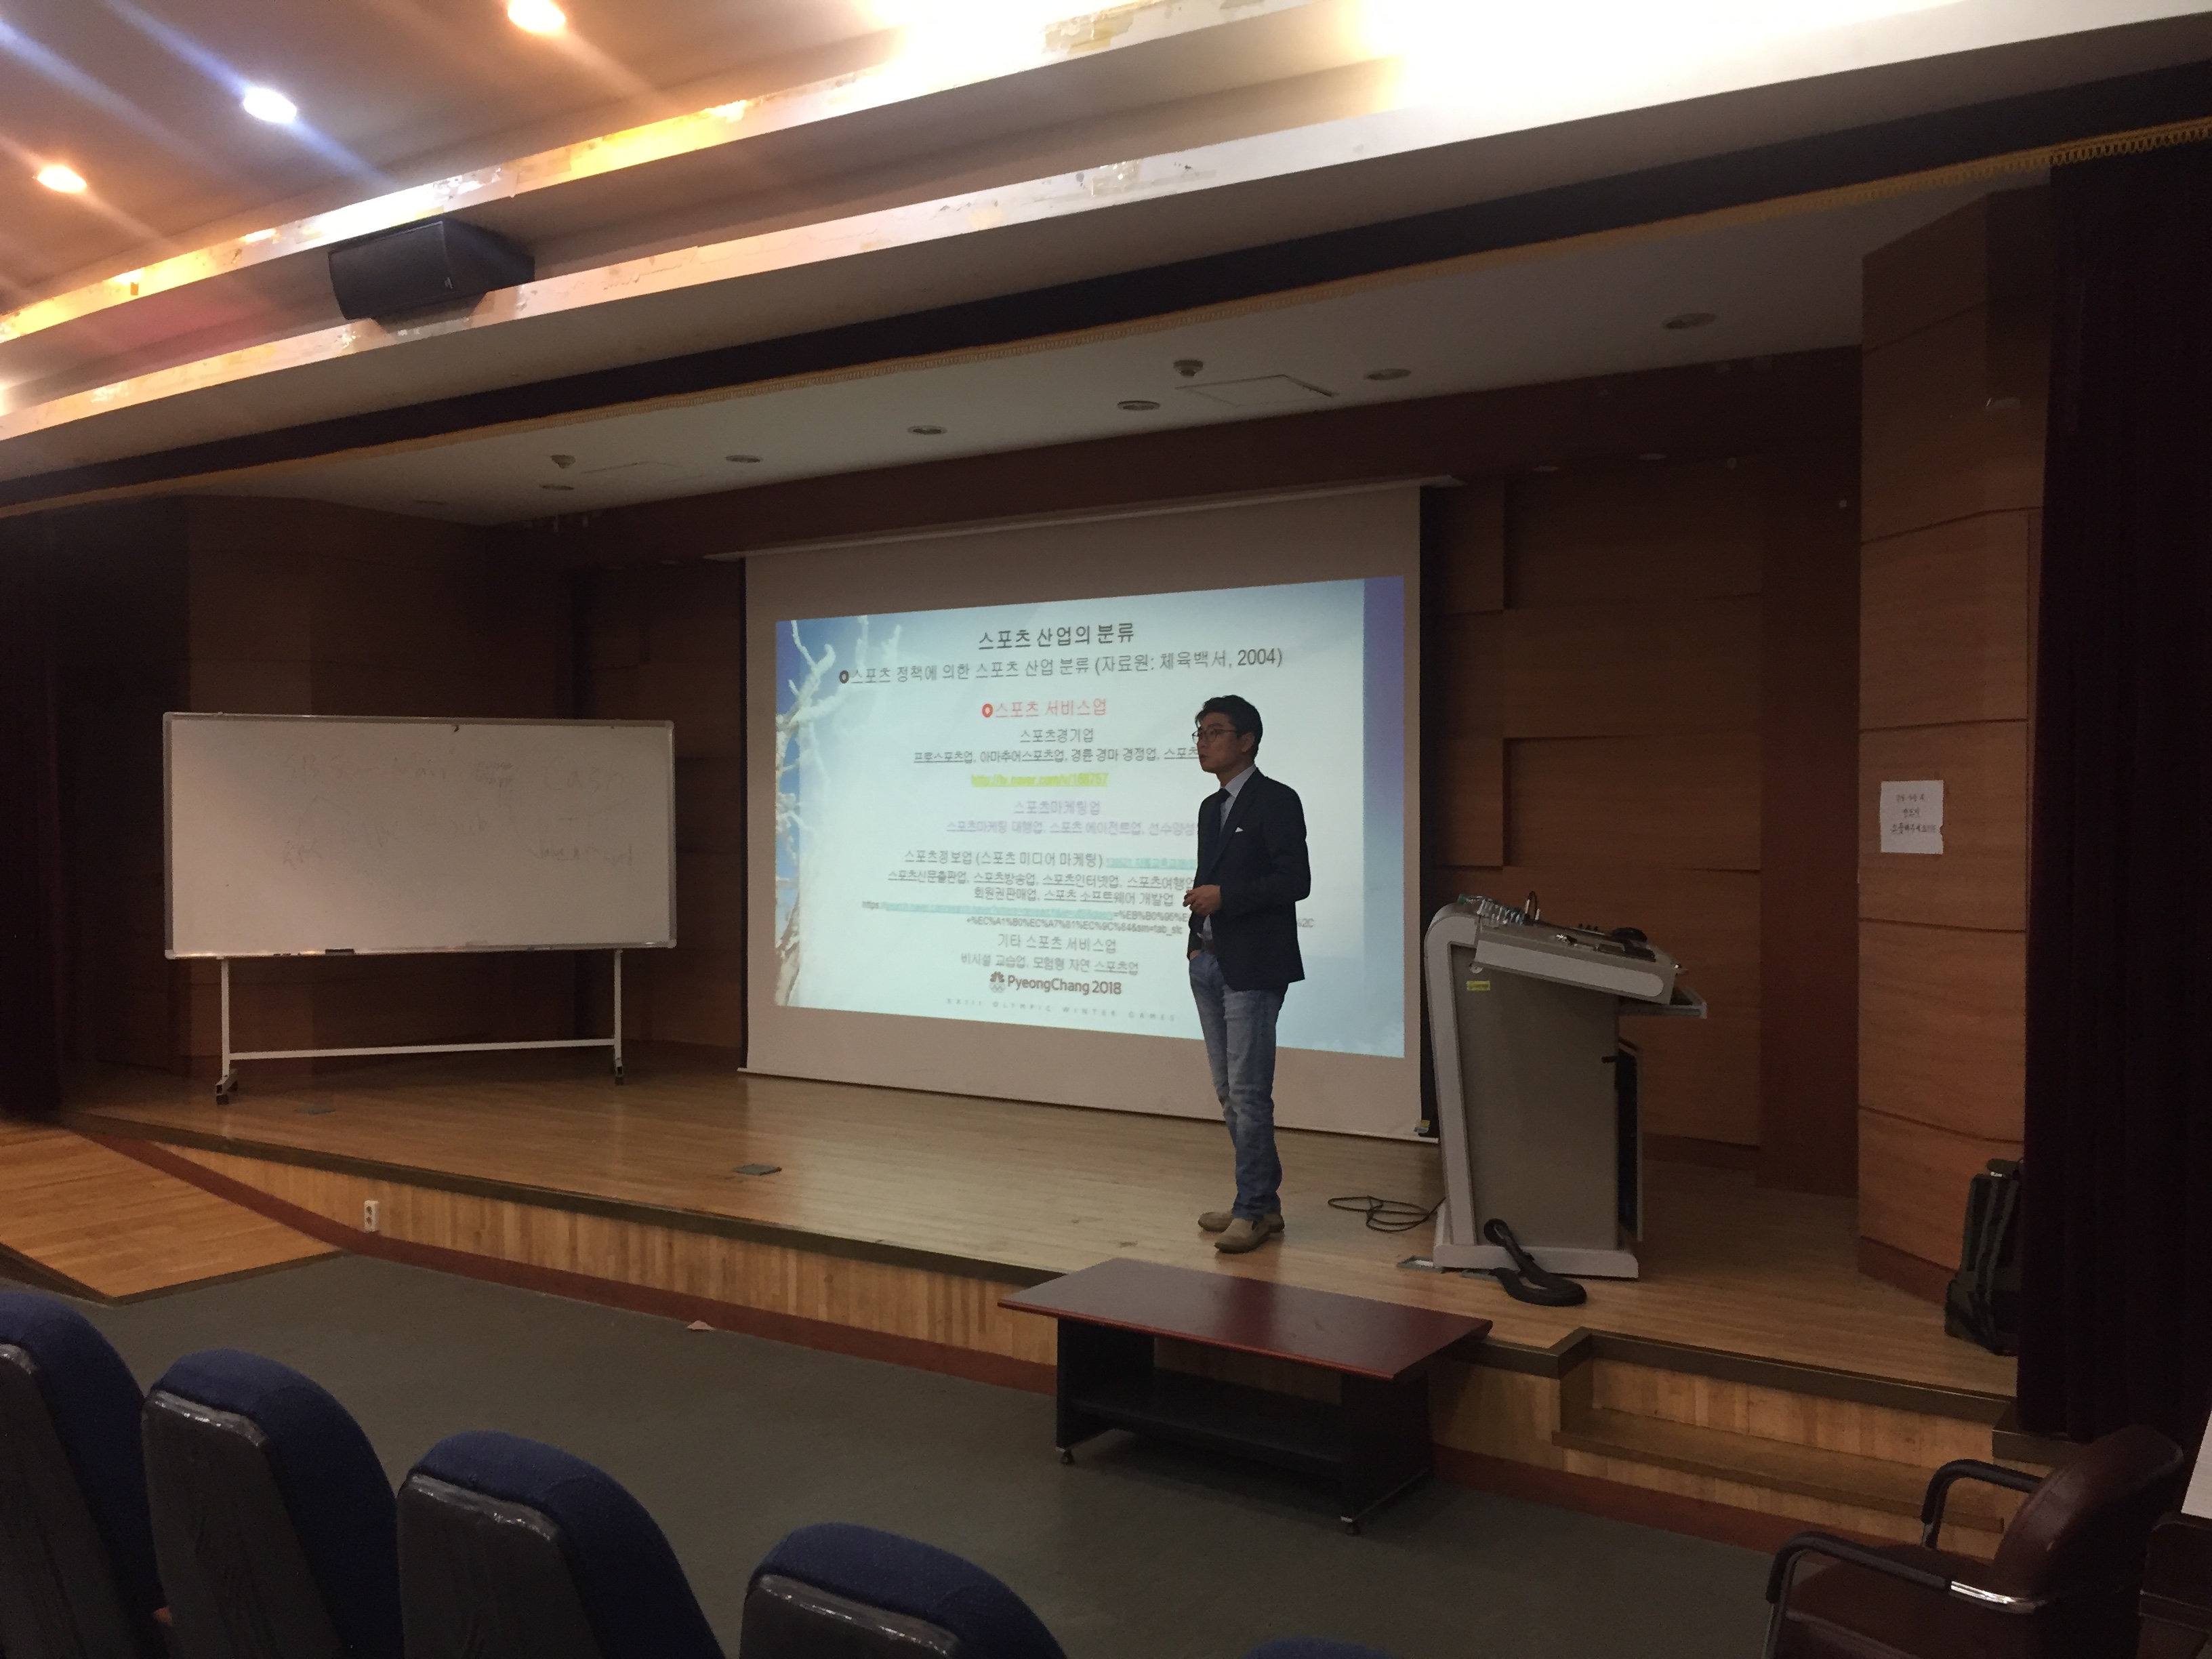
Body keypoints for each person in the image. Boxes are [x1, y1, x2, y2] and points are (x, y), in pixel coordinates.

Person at [1183, 695, 1310, 1254]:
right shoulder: (1210, 808)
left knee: (1249, 1094)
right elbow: (1205, 878)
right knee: (1229, 1093)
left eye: (1215, 731)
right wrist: (1195, 945)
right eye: (1199, 732)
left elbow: (1295, 881)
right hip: (1210, 961)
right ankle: (1262, 1203)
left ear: (1247, 740)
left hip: (1255, 965)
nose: (1203, 742)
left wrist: (1226, 899)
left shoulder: (1276, 800)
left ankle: (1252, 1209)